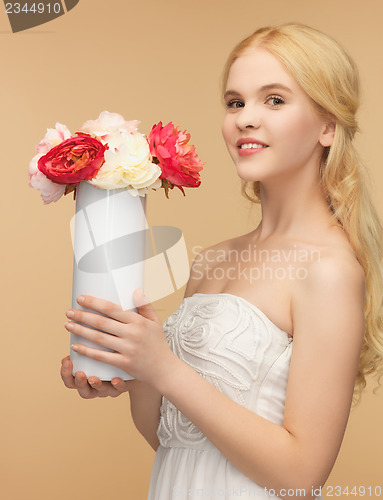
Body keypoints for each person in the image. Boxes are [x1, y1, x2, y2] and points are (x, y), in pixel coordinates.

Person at [61, 23, 383, 500]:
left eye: (274, 100)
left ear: (328, 126)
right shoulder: (211, 261)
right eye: (236, 102)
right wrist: (134, 369)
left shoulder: (330, 270)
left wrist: (166, 368)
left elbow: (301, 478)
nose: (245, 119)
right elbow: (170, 439)